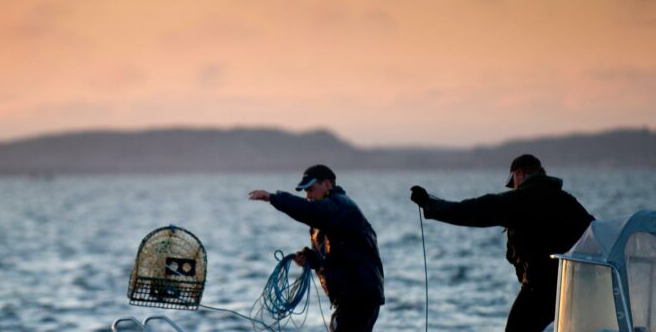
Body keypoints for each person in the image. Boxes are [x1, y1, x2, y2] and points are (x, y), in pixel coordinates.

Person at [409, 154, 594, 332]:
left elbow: (473, 211)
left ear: (519, 174)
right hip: (573, 289)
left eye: (513, 181)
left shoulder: (522, 200)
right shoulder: (568, 202)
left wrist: (430, 204)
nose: (513, 187)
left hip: (538, 291)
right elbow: (595, 234)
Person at [249, 164, 385, 332]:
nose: (308, 196)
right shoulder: (325, 218)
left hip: (359, 296)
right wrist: (311, 259)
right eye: (306, 192)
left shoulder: (340, 204)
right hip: (350, 297)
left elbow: (309, 211)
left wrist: (273, 198)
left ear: (327, 184)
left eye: (311, 189)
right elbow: (335, 260)